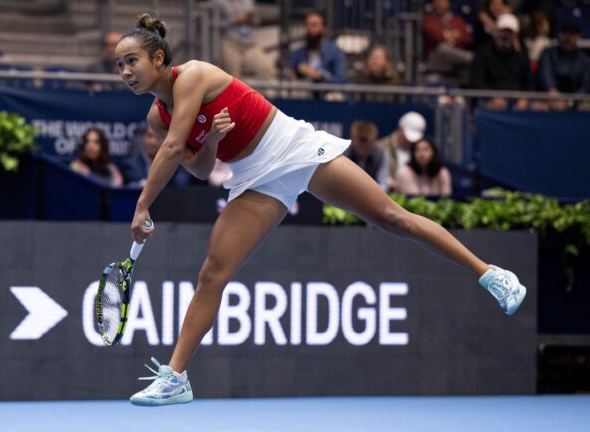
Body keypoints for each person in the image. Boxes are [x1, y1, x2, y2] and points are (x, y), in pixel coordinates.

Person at [116, 13, 526, 407]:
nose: (125, 71)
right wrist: (210, 140)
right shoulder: (157, 116)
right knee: (212, 273)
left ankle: (490, 274)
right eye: (119, 65)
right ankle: (176, 378)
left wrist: (141, 207)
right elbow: (200, 166)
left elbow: (171, 149)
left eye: (131, 60)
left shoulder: (194, 75)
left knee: (391, 217)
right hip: (253, 176)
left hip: (294, 148)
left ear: (158, 58)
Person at [470, 13, 532, 110]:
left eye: (509, 32)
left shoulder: (522, 55)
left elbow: (530, 83)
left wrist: (524, 99)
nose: (505, 35)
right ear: (496, 31)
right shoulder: (483, 53)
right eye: (503, 31)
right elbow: (477, 82)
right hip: (489, 98)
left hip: (516, 99)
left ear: (515, 35)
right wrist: (492, 97)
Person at [212, 0, 276, 81]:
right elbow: (214, 24)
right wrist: (234, 20)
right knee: (233, 77)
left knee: (266, 67)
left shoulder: (248, 1)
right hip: (230, 43)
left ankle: (260, 93)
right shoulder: (219, 3)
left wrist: (251, 18)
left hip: (249, 44)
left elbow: (257, 20)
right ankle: (236, 93)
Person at [535, 22, 590, 111]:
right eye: (564, 33)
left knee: (586, 107)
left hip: (576, 100)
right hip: (550, 97)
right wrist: (554, 94)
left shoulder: (585, 61)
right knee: (538, 106)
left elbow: (585, 86)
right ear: (559, 35)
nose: (567, 37)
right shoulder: (548, 54)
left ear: (578, 37)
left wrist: (570, 102)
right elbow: (545, 76)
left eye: (572, 34)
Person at [286, 11, 348, 86]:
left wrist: (318, 77)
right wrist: (293, 73)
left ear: (323, 28)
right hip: (304, 91)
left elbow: (341, 79)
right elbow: (289, 70)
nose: (310, 29)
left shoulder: (335, 52)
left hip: (327, 91)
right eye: (307, 25)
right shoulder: (299, 52)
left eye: (314, 25)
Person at [422, 0, 473, 84]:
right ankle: (472, 58)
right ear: (433, 4)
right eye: (437, 2)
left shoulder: (457, 20)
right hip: (436, 61)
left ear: (449, 3)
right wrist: (455, 35)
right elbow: (437, 36)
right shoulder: (429, 19)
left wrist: (447, 35)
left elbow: (467, 38)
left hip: (456, 62)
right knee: (443, 48)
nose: (440, 4)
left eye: (443, 2)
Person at [377, 111, 426, 191]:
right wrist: (388, 181)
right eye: (406, 136)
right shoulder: (381, 147)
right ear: (400, 128)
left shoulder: (419, 150)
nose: (409, 141)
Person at [343, 121, 388, 190]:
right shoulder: (343, 153)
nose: (362, 152)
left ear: (374, 142)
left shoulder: (380, 153)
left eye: (367, 148)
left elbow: (383, 184)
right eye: (359, 147)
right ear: (353, 139)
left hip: (372, 194)